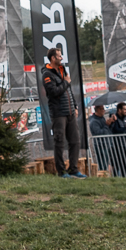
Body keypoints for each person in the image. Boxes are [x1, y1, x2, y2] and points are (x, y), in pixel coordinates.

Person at [41, 48, 84, 178]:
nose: (61, 58)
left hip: (70, 111)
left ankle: (73, 169)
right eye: (59, 56)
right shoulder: (47, 74)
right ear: (53, 58)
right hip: (58, 113)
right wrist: (66, 82)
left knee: (75, 141)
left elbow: (68, 91)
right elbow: (53, 92)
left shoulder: (63, 69)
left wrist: (75, 106)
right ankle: (61, 171)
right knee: (59, 142)